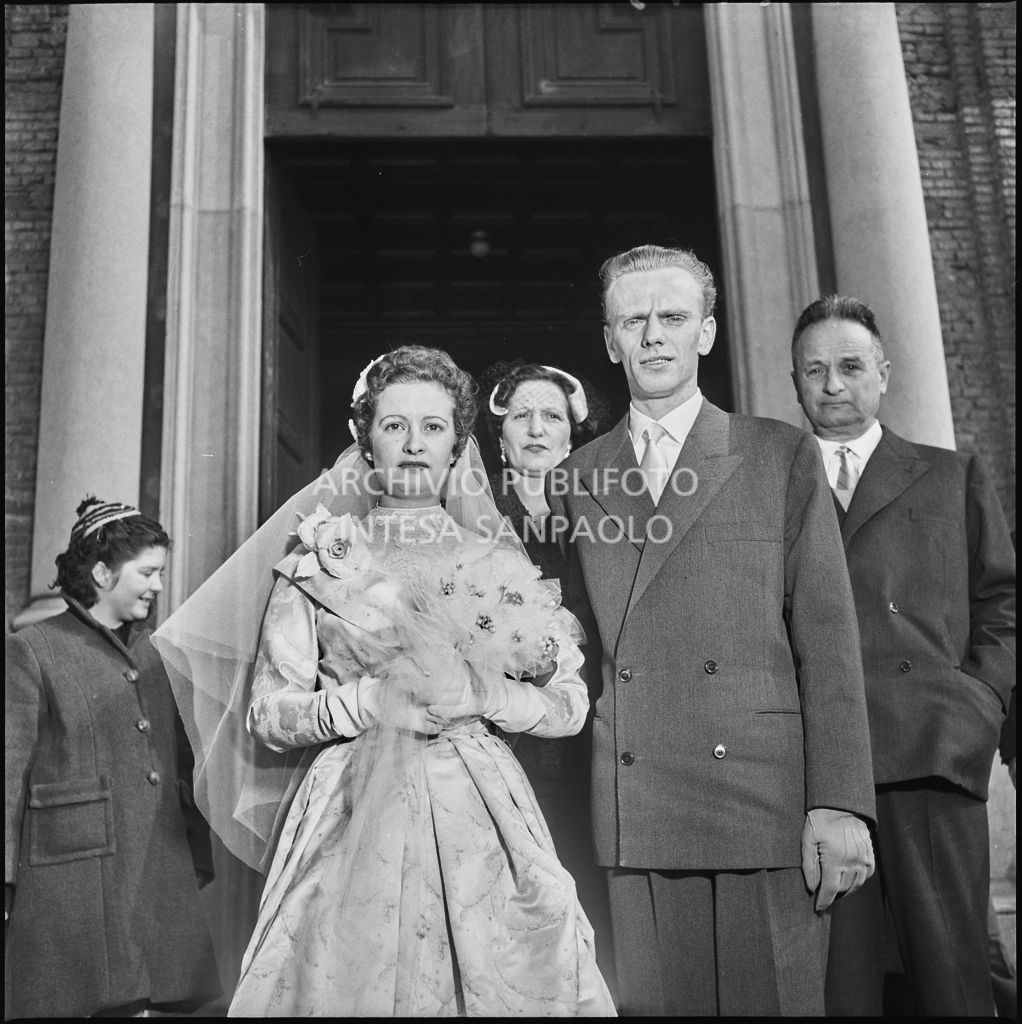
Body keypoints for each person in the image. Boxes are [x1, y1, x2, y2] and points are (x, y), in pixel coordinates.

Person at [154, 346, 616, 1016]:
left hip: (480, 809)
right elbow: (269, 712)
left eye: (433, 428)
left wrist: (482, 695)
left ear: (458, 446)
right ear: (364, 439)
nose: (413, 444)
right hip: (349, 802)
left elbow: (569, 703)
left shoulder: (494, 557)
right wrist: (365, 702)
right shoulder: (318, 560)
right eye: (394, 426)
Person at [547, 244, 877, 1016]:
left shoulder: (779, 453)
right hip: (639, 805)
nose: (654, 336)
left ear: (707, 332)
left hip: (761, 798)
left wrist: (840, 802)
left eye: (672, 317)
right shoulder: (578, 475)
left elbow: (828, 643)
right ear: (609, 341)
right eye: (634, 321)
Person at [789, 294, 1016, 1017]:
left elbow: (1003, 603)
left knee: (951, 980)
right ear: (796, 381)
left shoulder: (951, 475)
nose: (832, 386)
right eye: (814, 370)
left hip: (932, 756)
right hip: (820, 769)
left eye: (850, 367)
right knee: (843, 991)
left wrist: (977, 704)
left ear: (883, 373)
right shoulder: (770, 487)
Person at [5, 498, 219, 1019]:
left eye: (161, 573)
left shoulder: (160, 655)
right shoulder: (34, 648)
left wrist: (193, 856)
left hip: (155, 869)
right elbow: (7, 774)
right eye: (147, 572)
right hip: (70, 880)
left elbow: (182, 767)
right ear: (101, 572)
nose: (159, 586)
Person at [484, 361, 613, 984]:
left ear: (572, 435)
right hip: (504, 733)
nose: (537, 428)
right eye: (521, 415)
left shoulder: (602, 512)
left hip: (595, 731)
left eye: (552, 416)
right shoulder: (475, 514)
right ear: (500, 431)